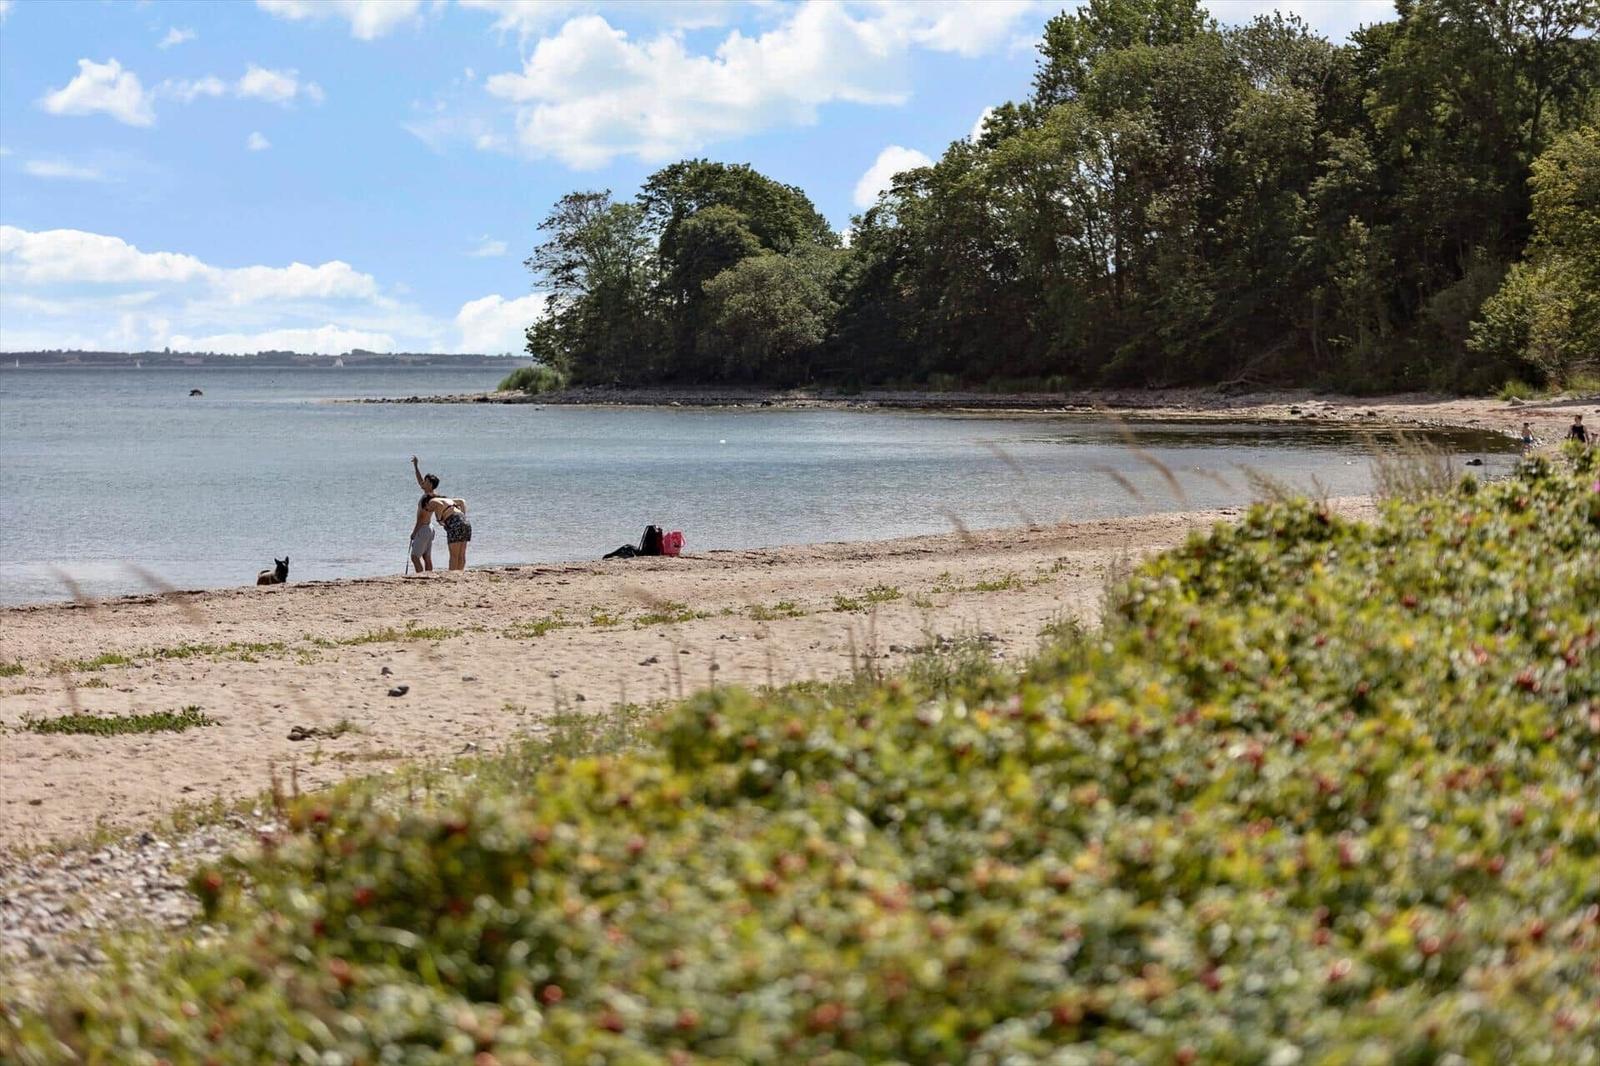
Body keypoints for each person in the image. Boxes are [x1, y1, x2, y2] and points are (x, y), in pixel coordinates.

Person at [422, 490, 472, 570]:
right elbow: (462, 501)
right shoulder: (448, 500)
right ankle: (460, 573)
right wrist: (462, 515)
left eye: (427, 509)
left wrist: (439, 519)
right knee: (461, 554)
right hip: (465, 522)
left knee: (454, 555)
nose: (429, 511)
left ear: (426, 503)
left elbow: (440, 505)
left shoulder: (432, 501)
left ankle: (452, 573)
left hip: (454, 522)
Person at [409, 456, 440, 573]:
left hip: (423, 528)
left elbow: (421, 518)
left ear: (431, 484)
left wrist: (414, 532)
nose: (423, 483)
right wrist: (416, 466)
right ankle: (429, 576)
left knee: (414, 557)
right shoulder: (431, 494)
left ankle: (420, 576)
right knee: (426, 556)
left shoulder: (428, 498)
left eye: (426, 482)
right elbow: (419, 481)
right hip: (429, 528)